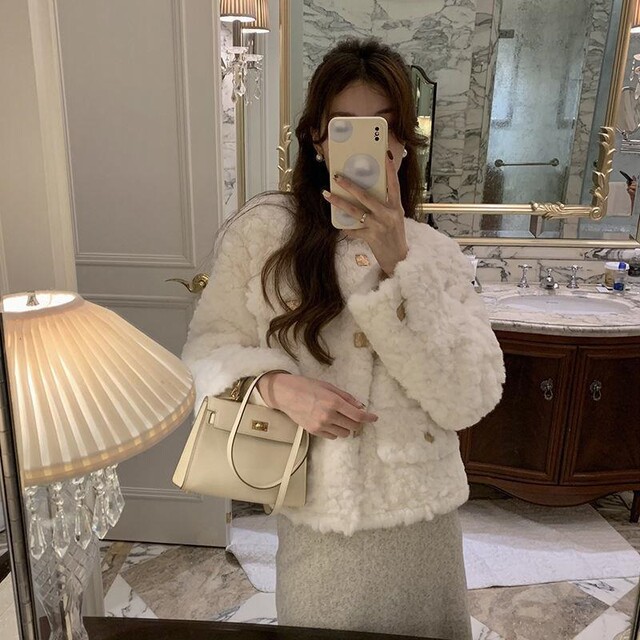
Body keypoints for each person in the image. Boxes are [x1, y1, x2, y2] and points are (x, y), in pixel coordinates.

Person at [182, 38, 505, 639]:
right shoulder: (263, 236)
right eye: (344, 127)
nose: (365, 147)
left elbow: (470, 398)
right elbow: (204, 352)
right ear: (317, 139)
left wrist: (400, 265)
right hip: (319, 520)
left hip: (423, 525)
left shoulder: (434, 254)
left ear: (402, 144)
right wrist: (275, 387)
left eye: (382, 128)